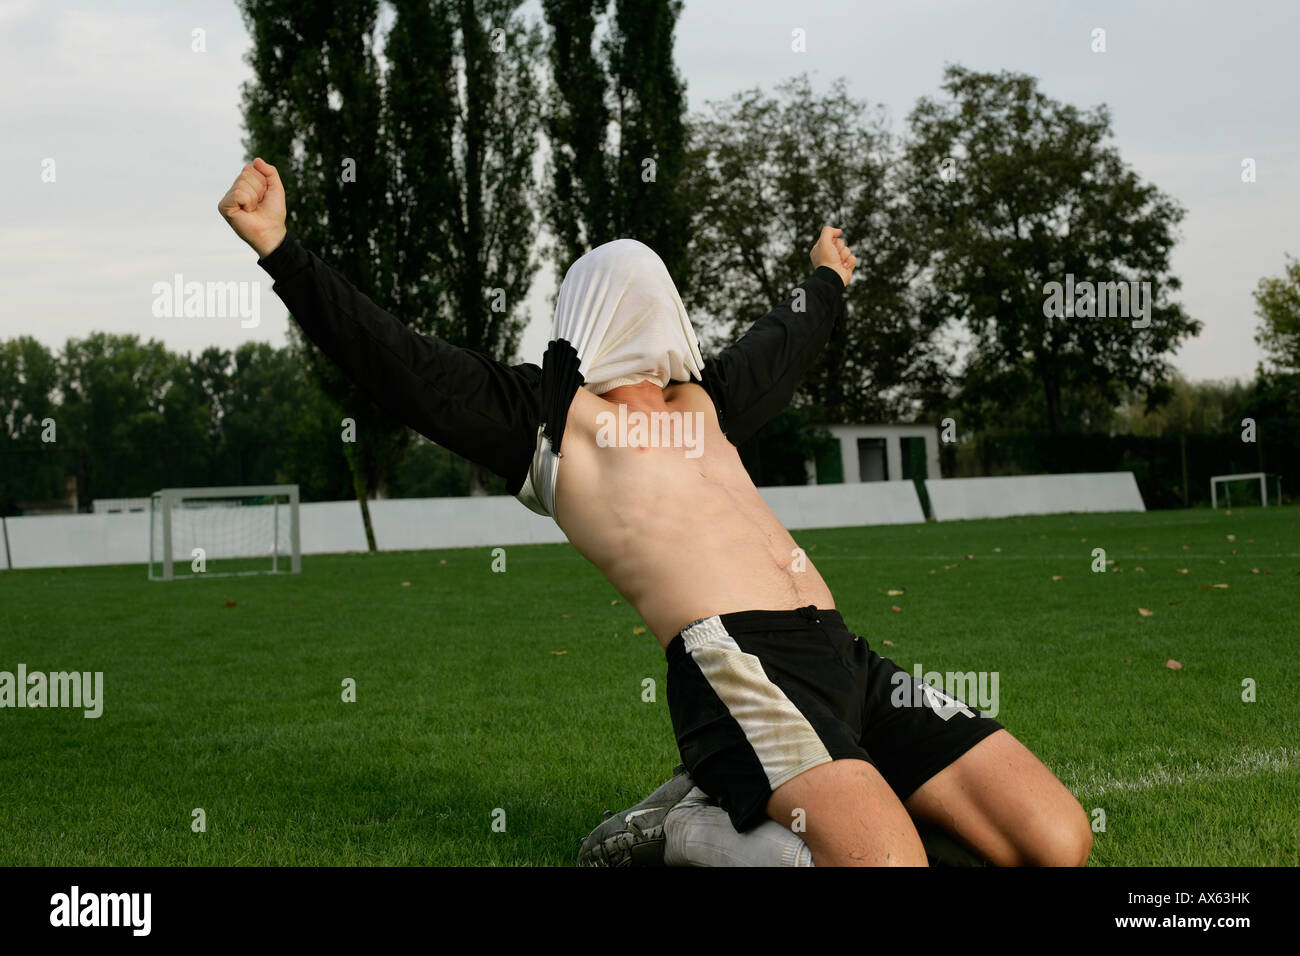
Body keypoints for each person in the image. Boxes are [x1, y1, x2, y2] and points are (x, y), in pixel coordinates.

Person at [218, 158, 1093, 867]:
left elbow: (780, 345)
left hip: (843, 653)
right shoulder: (551, 423)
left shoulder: (707, 406)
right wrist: (281, 249)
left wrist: (826, 279)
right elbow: (399, 362)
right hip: (737, 667)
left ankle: (781, 801)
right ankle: (686, 832)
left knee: (1056, 841)